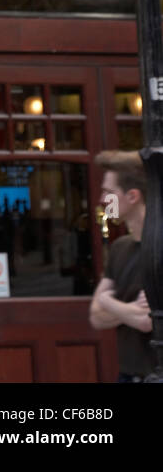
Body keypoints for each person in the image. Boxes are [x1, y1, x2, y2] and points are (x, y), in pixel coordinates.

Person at [89, 149, 155, 382]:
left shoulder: (157, 249)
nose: (101, 200)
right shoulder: (120, 248)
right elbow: (96, 317)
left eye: (108, 192)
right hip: (126, 376)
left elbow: (147, 321)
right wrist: (128, 311)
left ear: (132, 196)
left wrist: (108, 301)